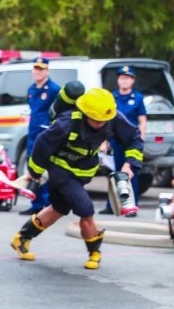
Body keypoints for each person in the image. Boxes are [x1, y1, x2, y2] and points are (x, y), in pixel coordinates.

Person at [11, 88, 144, 269]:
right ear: (85, 112)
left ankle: (22, 238)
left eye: (102, 121)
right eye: (95, 120)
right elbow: (42, 144)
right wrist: (35, 173)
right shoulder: (67, 123)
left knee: (60, 208)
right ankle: (94, 252)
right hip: (60, 170)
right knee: (85, 209)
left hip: (83, 172)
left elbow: (134, 138)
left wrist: (130, 164)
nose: (99, 123)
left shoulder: (111, 117)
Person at [100, 65, 147, 216]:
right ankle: (111, 205)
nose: (124, 81)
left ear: (132, 81)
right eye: (121, 78)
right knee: (114, 173)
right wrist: (104, 142)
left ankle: (131, 206)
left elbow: (142, 121)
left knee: (130, 174)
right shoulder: (113, 97)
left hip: (132, 142)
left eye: (127, 78)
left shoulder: (138, 98)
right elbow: (106, 120)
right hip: (116, 141)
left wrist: (142, 138)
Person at [20, 57, 61, 215]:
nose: (38, 72)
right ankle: (36, 204)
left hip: (46, 134)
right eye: (36, 68)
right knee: (33, 168)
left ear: (47, 71)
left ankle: (48, 203)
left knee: (46, 170)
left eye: (41, 69)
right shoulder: (31, 89)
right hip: (33, 134)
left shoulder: (53, 89)